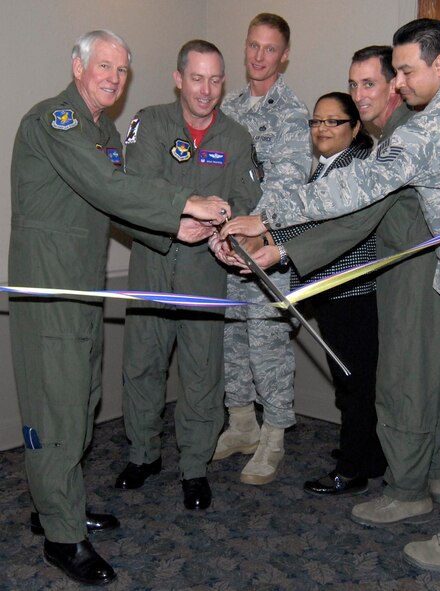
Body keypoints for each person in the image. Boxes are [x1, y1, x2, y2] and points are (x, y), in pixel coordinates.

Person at [220, 18, 440, 572]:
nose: (399, 84)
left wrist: (267, 216)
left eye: (405, 72)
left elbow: (355, 187)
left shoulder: (429, 127)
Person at [9, 30, 231, 586]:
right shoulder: (55, 121)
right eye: (103, 66)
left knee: (81, 397)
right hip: (50, 288)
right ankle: (62, 538)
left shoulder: (101, 130)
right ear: (78, 66)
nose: (113, 78)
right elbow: (105, 184)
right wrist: (184, 200)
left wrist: (173, 230)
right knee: (57, 406)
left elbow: (112, 201)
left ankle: (53, 504)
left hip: (82, 287)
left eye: (122, 70)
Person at [226, 47, 440, 513]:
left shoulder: (399, 139)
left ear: (394, 84)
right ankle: (431, 476)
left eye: (369, 84)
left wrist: (274, 237)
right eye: (353, 84)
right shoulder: (391, 135)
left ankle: (407, 488)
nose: (359, 94)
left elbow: (352, 219)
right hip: (396, 276)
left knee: (401, 384)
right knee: (406, 381)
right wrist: (274, 239)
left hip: (408, 277)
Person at [114, 40, 261, 512]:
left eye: (216, 79)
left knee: (202, 371)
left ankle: (195, 466)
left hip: (205, 269)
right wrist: (179, 216)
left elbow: (247, 199)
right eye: (197, 78)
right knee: (142, 365)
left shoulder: (236, 138)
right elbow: (131, 190)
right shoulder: (150, 122)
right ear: (178, 78)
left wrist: (224, 225)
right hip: (152, 262)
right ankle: (143, 454)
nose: (206, 90)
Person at [271, 91, 387, 494]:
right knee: (349, 382)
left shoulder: (353, 168)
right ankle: (364, 454)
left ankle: (354, 468)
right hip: (332, 291)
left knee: (355, 384)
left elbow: (320, 225)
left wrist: (270, 242)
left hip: (352, 291)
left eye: (333, 121)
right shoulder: (326, 167)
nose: (321, 128)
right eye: (316, 121)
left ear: (355, 128)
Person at [212, 13, 311, 485]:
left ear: (284, 55)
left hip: (267, 247)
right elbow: (215, 174)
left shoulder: (290, 111)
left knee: (267, 344)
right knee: (231, 339)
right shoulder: (227, 106)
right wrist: (217, 227)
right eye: (253, 45)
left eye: (269, 49)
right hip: (226, 244)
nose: (258, 56)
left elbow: (289, 183)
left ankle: (274, 435)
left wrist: (258, 233)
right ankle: (241, 424)